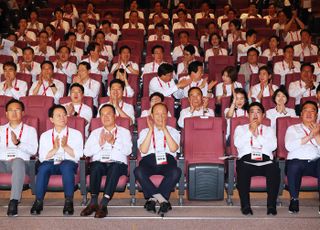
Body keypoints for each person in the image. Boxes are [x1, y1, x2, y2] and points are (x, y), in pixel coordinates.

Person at [80, 104, 132, 218]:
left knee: (114, 167)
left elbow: (128, 151)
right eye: (102, 114)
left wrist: (114, 142)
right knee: (96, 166)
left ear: (115, 115)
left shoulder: (124, 132)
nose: (105, 117)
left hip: (118, 164)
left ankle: (103, 203)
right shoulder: (95, 133)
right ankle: (93, 202)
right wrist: (100, 144)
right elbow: (86, 152)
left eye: (108, 114)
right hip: (100, 163)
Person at [30, 105, 83, 215]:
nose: (62, 118)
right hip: (50, 161)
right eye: (58, 115)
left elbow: (79, 155)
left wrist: (66, 147)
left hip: (68, 161)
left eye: (64, 115)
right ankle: (38, 201)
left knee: (67, 167)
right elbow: (43, 157)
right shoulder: (45, 135)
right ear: (51, 119)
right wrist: (54, 149)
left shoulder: (76, 134)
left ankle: (69, 201)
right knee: (43, 168)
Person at [135, 103, 181, 215]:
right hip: (149, 161)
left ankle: (152, 199)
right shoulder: (145, 131)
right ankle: (162, 200)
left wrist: (165, 129)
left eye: (163, 114)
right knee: (138, 171)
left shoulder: (173, 131)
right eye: (157, 114)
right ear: (152, 115)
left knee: (176, 172)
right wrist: (151, 131)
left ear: (167, 115)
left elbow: (174, 148)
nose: (160, 117)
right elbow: (144, 150)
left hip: (167, 161)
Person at [234, 102, 280, 215]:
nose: (255, 115)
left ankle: (271, 206)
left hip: (265, 160)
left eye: (258, 112)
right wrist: (250, 131)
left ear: (263, 115)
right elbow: (238, 144)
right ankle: (245, 206)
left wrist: (257, 135)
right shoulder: (240, 128)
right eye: (252, 112)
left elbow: (273, 146)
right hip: (246, 160)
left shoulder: (269, 130)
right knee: (242, 168)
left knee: (274, 169)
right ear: (248, 115)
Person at [0, 99, 38, 216]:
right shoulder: (1, 129)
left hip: (22, 164)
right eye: (10, 110)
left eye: (17, 110)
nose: (14, 113)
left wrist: (18, 143)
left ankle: (14, 201)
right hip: (2, 162)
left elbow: (33, 151)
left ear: (22, 113)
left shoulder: (30, 130)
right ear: (6, 113)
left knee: (17, 161)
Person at [285, 101, 320, 214]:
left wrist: (317, 134)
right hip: (297, 161)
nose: (309, 113)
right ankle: (294, 199)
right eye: (306, 110)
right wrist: (310, 135)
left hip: (316, 162)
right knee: (295, 165)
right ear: (300, 114)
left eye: (312, 110)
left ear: (317, 115)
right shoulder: (293, 128)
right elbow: (289, 146)